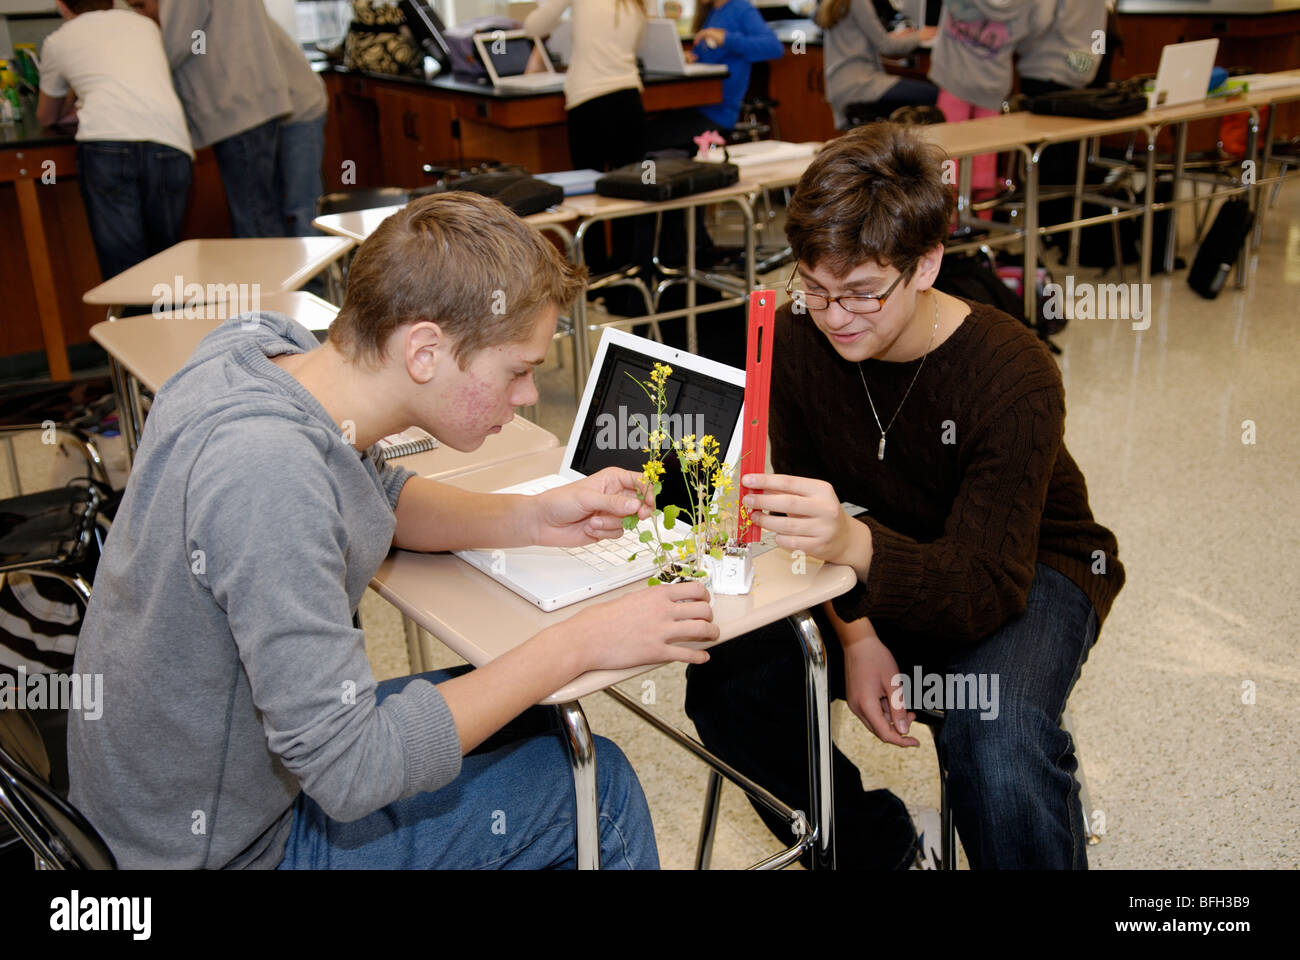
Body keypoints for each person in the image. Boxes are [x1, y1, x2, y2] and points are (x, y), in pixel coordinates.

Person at [67, 192, 720, 869]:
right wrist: (578, 644)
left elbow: (379, 493)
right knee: (594, 788)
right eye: (518, 370)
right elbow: (354, 771)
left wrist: (533, 517)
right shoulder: (270, 474)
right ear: (425, 351)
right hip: (213, 849)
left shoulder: (261, 351)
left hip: (175, 789)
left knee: (538, 719)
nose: (529, 395)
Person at [684, 124, 1124, 870]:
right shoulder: (799, 339)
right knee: (729, 680)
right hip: (871, 567)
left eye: (862, 293)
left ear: (926, 265)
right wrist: (857, 637)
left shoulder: (1014, 374)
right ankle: (880, 850)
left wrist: (854, 550)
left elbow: (986, 587)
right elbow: (815, 522)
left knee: (994, 737)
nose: (835, 317)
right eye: (814, 287)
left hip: (1028, 565)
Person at [36, 0, 193, 281]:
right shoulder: (145, 25)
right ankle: (173, 323)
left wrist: (77, 97)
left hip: (107, 142)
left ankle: (131, 325)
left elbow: (47, 115)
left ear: (62, 5)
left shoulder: (58, 40)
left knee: (125, 267)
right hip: (170, 143)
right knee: (168, 259)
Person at [129, 0, 292, 238]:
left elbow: (177, 40)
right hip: (252, 102)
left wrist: (138, 71)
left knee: (254, 220)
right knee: (263, 211)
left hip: (236, 106)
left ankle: (269, 276)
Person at [524, 0, 652, 270]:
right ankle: (627, 278)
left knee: (587, 196)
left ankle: (595, 274)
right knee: (627, 194)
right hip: (629, 100)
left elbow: (533, 26)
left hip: (589, 103)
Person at [927, 0, 1053, 199]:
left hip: (954, 76)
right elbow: (1041, 23)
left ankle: (946, 223)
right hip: (994, 81)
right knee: (984, 162)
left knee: (947, 157)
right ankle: (981, 223)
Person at [816, 0, 937, 130]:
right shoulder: (859, 2)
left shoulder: (836, 2)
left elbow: (863, 38)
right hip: (861, 84)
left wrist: (893, 36)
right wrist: (920, 36)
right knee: (934, 95)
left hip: (840, 85)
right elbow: (886, 47)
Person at [268, 18, 328, 237]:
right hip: (275, 115)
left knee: (302, 206)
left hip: (301, 110)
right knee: (279, 206)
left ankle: (316, 271)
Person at [687, 0, 783, 134]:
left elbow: (774, 48)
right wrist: (690, 58)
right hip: (697, 107)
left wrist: (726, 39)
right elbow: (708, 56)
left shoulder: (740, 8)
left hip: (718, 115)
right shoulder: (711, 12)